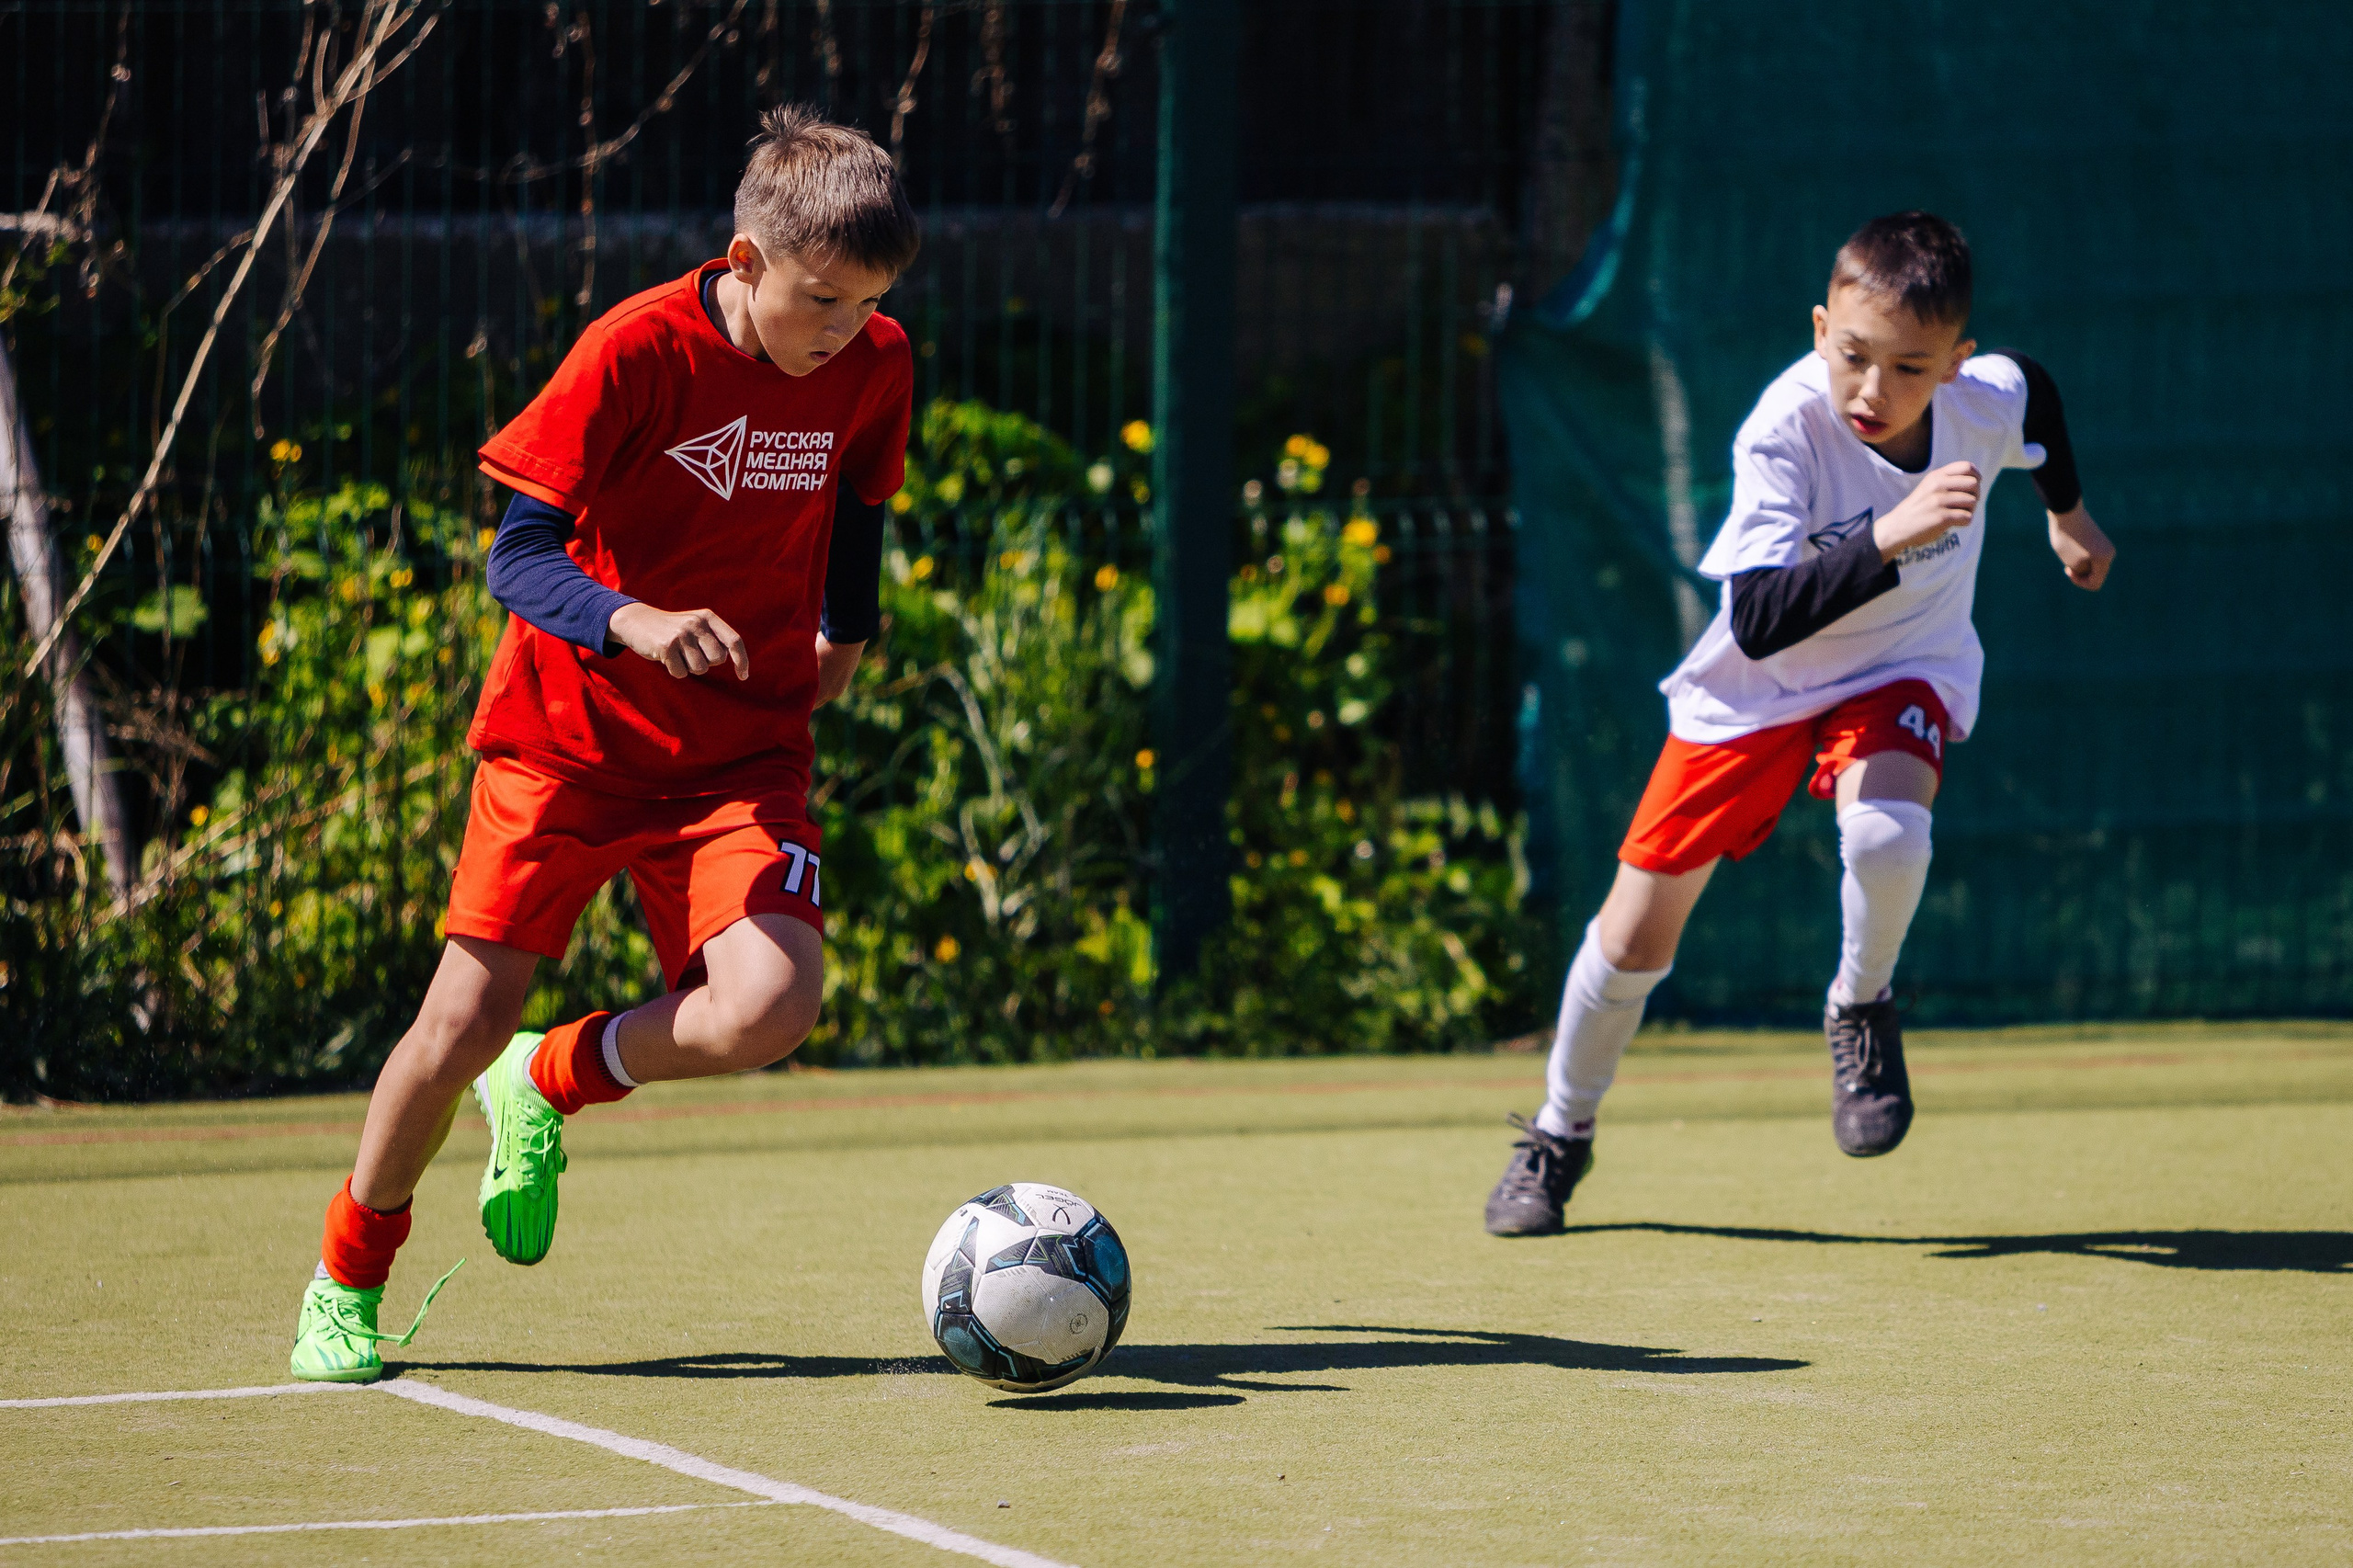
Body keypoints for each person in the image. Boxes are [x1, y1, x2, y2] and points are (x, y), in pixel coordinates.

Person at [289, 106, 919, 1379]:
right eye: (823, 301)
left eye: (867, 305)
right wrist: (632, 619)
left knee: (772, 1004)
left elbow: (859, 498)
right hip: (568, 742)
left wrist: (845, 637)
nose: (846, 329)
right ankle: (346, 1277)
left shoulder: (874, 357)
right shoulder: (632, 350)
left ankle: (555, 1074)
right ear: (746, 261)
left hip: (739, 751)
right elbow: (514, 556)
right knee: (459, 1017)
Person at [1485, 211, 2116, 1237]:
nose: (1872, 389)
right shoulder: (1783, 428)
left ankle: (1859, 1004)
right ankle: (1558, 1132)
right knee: (1632, 935)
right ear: (1822, 327)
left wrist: (2065, 509)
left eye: (1909, 368)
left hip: (1899, 665)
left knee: (1884, 830)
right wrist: (1888, 533)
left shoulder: (1982, 400)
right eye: (1852, 355)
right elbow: (1759, 619)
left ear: (1955, 366)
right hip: (1757, 688)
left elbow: (2032, 385)